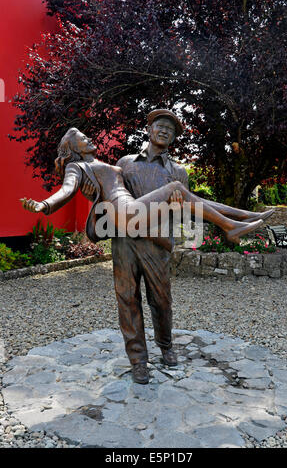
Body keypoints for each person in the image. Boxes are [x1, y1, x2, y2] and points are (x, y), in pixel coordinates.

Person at [21, 114, 271, 384]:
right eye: (159, 126)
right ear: (149, 129)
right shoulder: (124, 163)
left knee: (162, 301)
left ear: (174, 137)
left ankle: (166, 345)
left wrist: (174, 203)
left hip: (156, 240)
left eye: (170, 129)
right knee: (127, 300)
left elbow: (191, 206)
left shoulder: (178, 171)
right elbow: (81, 193)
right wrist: (46, 205)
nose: (164, 131)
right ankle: (138, 359)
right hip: (125, 241)